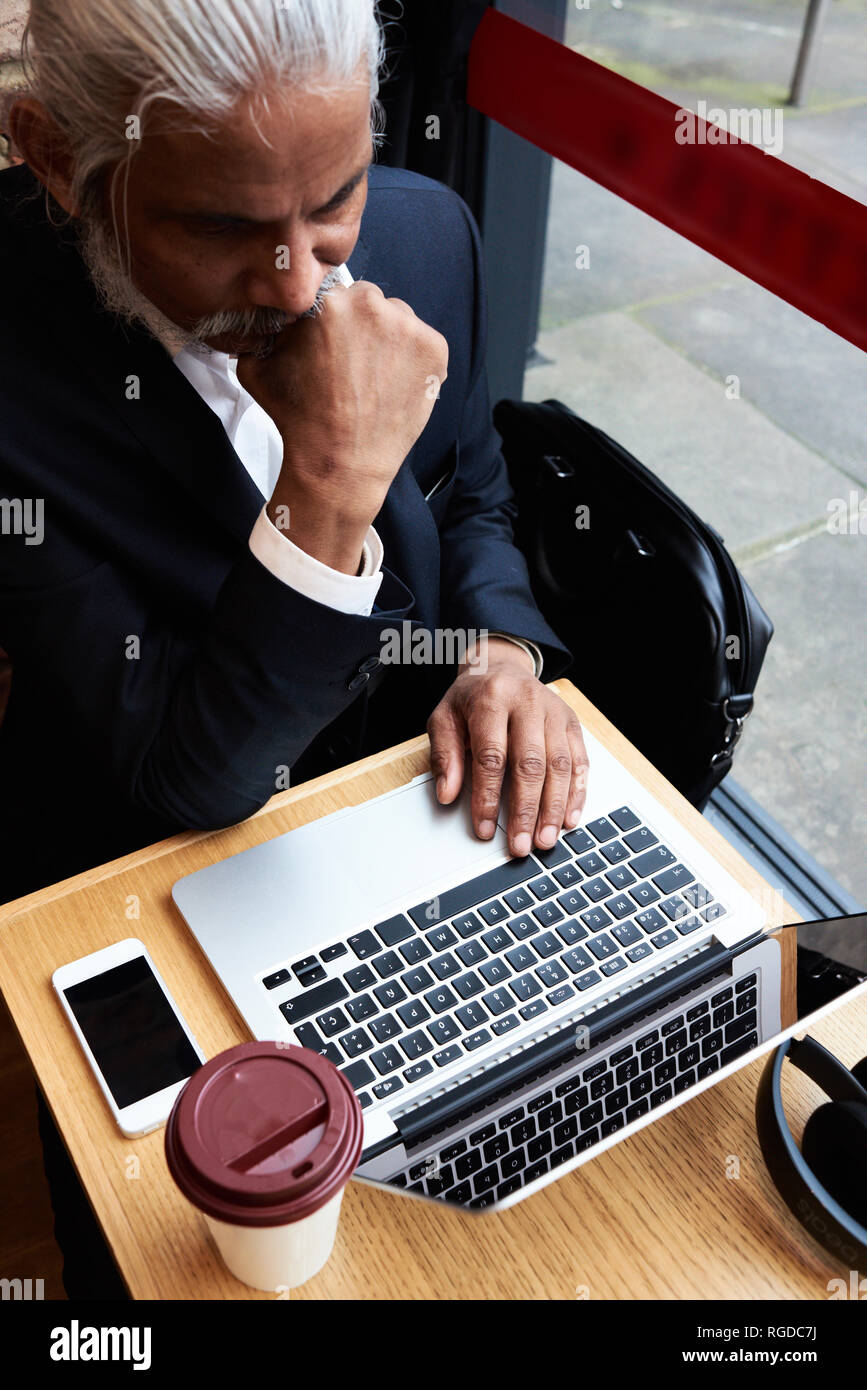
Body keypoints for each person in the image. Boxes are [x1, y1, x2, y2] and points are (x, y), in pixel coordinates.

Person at [0, 0, 589, 1295]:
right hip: (133, 866)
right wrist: (325, 483)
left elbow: (472, 482)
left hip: (403, 828)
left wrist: (500, 649)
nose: (303, 282)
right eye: (218, 226)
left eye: (335, 197)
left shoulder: (431, 230)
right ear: (51, 157)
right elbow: (183, 769)